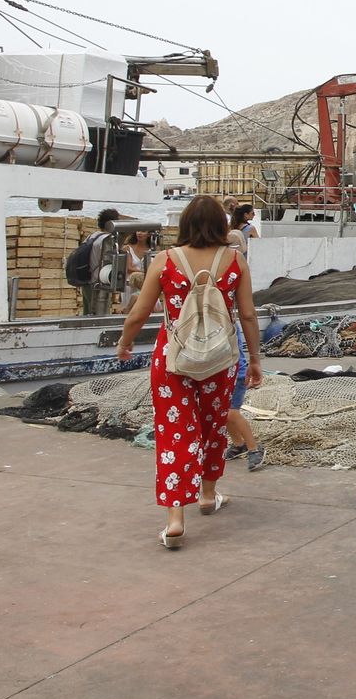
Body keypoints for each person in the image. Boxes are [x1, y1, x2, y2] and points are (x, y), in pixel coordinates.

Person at [115, 196, 263, 548]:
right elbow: (247, 315)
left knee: (175, 432)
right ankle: (208, 496)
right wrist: (255, 359)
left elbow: (139, 313)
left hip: (173, 359)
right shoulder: (235, 260)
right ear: (221, 224)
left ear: (184, 224)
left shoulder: (166, 260)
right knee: (213, 426)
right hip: (219, 359)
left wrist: (124, 342)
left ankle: (175, 519)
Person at [81, 208, 122, 315]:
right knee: (99, 314)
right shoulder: (107, 240)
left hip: (87, 280)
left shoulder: (92, 236)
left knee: (87, 313)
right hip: (99, 283)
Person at [120, 228, 153, 312]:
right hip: (130, 284)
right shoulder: (127, 248)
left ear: (149, 234)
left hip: (146, 283)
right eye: (138, 231)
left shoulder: (152, 250)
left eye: (143, 231)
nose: (139, 233)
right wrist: (146, 273)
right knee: (129, 311)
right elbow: (128, 268)